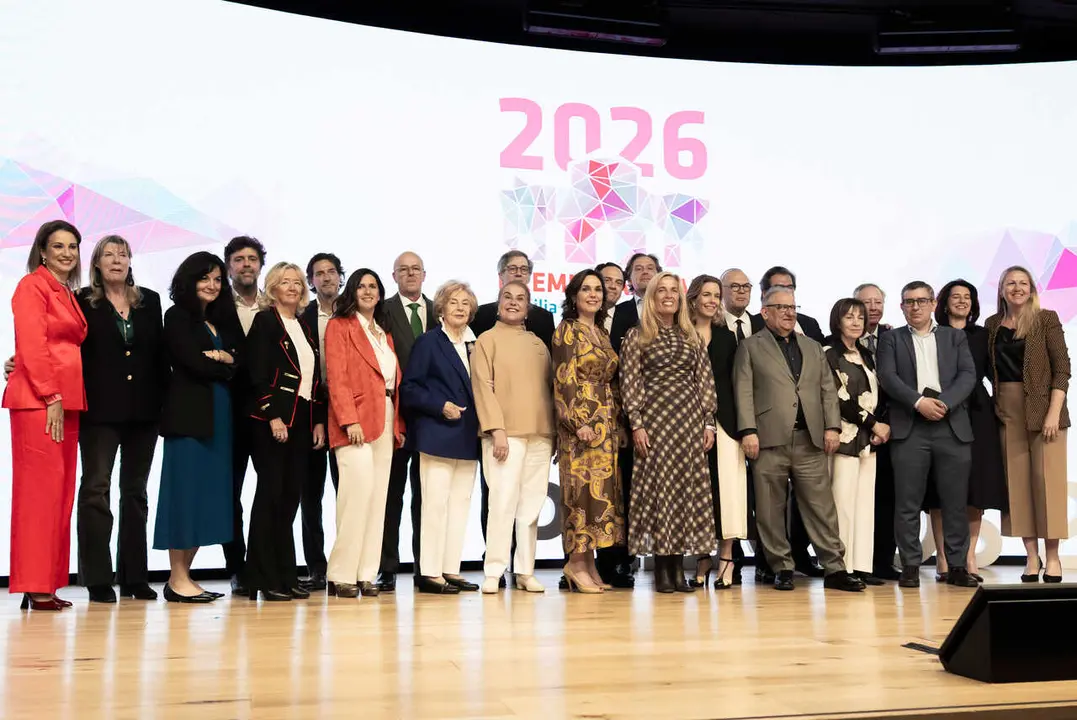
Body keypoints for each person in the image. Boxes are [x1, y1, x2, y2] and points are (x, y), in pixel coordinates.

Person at [734, 286, 863, 593]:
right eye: (781, 307)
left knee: (822, 508)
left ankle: (835, 568)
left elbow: (827, 390)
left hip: (810, 440)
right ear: (765, 313)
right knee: (770, 509)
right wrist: (748, 431)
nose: (789, 313)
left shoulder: (812, 346)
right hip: (768, 440)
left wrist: (832, 427)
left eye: (792, 307)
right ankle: (782, 567)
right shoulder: (750, 347)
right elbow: (743, 391)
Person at [76, 235, 167, 603]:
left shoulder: (150, 301)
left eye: (123, 254)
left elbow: (160, 355)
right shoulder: (82, 300)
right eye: (108, 254)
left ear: (130, 261)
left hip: (144, 411)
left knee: (135, 492)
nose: (116, 259)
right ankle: (97, 577)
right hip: (99, 411)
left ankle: (134, 577)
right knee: (95, 489)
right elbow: (63, 346)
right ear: (96, 264)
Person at [4, 220, 86, 611]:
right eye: (58, 246)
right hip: (41, 402)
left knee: (59, 495)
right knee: (39, 496)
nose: (67, 253)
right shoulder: (31, 286)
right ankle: (35, 585)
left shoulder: (65, 291)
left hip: (65, 401)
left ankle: (46, 583)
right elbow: (32, 345)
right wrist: (50, 393)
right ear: (42, 251)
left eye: (72, 246)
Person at [876, 281, 979, 589]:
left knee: (955, 503)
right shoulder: (891, 339)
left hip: (951, 425)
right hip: (910, 427)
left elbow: (968, 375)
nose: (916, 306)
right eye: (909, 301)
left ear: (934, 304)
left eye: (922, 301)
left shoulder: (955, 336)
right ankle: (910, 565)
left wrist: (944, 403)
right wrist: (919, 402)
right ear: (902, 306)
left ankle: (957, 566)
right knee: (907, 503)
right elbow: (888, 377)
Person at [620, 272, 718, 593]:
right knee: (659, 492)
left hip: (689, 422)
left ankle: (677, 572)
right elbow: (630, 381)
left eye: (674, 290)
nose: (668, 295)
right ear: (651, 296)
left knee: (683, 492)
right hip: (655, 422)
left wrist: (708, 422)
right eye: (661, 290)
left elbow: (704, 379)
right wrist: (636, 423)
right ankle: (662, 572)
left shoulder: (691, 335)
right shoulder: (638, 335)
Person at [155, 252, 242, 603]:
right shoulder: (177, 316)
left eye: (218, 279)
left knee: (207, 497)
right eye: (205, 278)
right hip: (189, 418)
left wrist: (223, 359)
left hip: (220, 418)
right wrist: (225, 362)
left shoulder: (223, 318)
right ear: (189, 281)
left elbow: (241, 361)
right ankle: (177, 578)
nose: (212, 285)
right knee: (184, 496)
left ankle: (184, 576)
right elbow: (191, 363)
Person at [470, 250, 555, 587]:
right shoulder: (486, 340)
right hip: (505, 437)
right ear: (498, 302)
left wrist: (552, 435)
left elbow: (549, 390)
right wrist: (497, 430)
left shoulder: (539, 344)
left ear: (529, 308)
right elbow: (482, 388)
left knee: (531, 507)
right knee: (502, 503)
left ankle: (525, 571)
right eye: (508, 297)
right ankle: (494, 570)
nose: (514, 303)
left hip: (540, 436)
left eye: (521, 299)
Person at [244, 262, 326, 601]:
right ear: (273, 288)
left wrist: (318, 419)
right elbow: (257, 372)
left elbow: (313, 379)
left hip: (303, 419)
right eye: (285, 282)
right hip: (274, 420)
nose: (292, 287)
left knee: (291, 497)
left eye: (297, 282)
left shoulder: (304, 326)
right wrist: (273, 415)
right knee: (271, 496)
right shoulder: (265, 322)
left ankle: (286, 574)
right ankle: (263, 578)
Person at [986, 266, 1071, 583]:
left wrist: (1053, 412)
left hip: (1045, 407)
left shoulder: (1046, 319)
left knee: (1047, 483)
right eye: (1011, 283)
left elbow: (1062, 369)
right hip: (1006, 410)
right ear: (1002, 289)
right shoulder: (992, 324)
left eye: (1023, 283)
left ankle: (1053, 558)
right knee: (1017, 485)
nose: (1017, 288)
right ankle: (1031, 557)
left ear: (1032, 289)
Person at [324, 269, 405, 599]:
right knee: (355, 498)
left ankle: (365, 573)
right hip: (354, 421)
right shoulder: (339, 326)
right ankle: (341, 573)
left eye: (373, 286)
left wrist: (397, 425)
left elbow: (392, 383)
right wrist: (349, 420)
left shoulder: (383, 332)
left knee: (377, 499)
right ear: (352, 292)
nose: (368, 291)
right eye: (361, 286)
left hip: (385, 415)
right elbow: (337, 377)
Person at [399, 280, 481, 595]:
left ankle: (450, 569)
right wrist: (440, 405)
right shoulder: (429, 342)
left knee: (460, 506)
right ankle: (430, 572)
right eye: (453, 302)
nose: (460, 308)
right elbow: (410, 389)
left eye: (465, 303)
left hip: (468, 436)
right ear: (441, 309)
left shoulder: (476, 343)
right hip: (437, 434)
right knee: (434, 506)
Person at [926, 280, 1007, 582]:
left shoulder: (983, 335)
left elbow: (995, 374)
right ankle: (943, 558)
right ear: (944, 303)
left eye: (967, 297)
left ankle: (969, 556)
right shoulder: (932, 334)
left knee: (977, 487)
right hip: (940, 411)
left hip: (977, 413)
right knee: (939, 488)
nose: (961, 301)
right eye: (955, 297)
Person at [553, 270, 625, 594]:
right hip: (580, 426)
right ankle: (574, 563)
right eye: (587, 289)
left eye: (598, 289)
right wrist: (576, 423)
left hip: (605, 424)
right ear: (574, 295)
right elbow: (563, 379)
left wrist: (616, 424)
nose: (594, 294)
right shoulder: (567, 330)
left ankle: (588, 562)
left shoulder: (600, 331)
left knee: (601, 498)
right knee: (580, 496)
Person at [600, 251, 662, 589]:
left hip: (668, 415)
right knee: (623, 489)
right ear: (630, 280)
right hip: (625, 416)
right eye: (638, 269)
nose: (645, 273)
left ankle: (666, 560)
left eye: (651, 268)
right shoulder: (619, 314)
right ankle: (621, 560)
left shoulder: (673, 313)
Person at [378, 251, 435, 592]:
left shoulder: (440, 310)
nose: (410, 274)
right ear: (394, 276)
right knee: (391, 495)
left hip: (432, 417)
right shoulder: (381, 311)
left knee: (427, 495)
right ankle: (386, 566)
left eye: (416, 269)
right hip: (394, 414)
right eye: (404, 269)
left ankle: (425, 567)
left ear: (424, 274)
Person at [823, 298, 889, 587]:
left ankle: (861, 566)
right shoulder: (828, 353)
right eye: (849, 317)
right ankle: (839, 568)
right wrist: (875, 424)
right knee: (842, 504)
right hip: (844, 437)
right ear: (837, 321)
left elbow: (878, 393)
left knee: (864, 504)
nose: (856, 322)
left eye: (860, 318)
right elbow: (838, 398)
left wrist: (879, 425)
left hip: (868, 439)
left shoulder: (865, 354)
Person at [686, 274, 745, 589]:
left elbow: (736, 382)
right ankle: (701, 557)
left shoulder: (727, 337)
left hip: (725, 423)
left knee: (728, 492)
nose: (711, 301)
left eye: (715, 296)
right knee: (698, 494)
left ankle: (726, 557)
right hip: (686, 423)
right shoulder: (679, 334)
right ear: (693, 298)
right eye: (706, 294)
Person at [222, 235, 267, 596]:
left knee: (272, 492)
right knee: (230, 494)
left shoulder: (276, 304)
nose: (246, 264)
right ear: (229, 266)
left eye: (252, 258)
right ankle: (237, 567)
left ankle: (266, 564)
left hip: (270, 413)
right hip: (230, 412)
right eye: (239, 259)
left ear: (261, 265)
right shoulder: (217, 305)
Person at [298, 252, 344, 591]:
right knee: (310, 496)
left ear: (341, 276)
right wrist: (315, 416)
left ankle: (346, 563)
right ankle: (316, 566)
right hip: (312, 413)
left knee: (348, 493)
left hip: (348, 413)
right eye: (319, 273)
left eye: (331, 271)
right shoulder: (302, 317)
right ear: (311, 281)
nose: (326, 277)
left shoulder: (355, 313)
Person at [853, 282, 900, 582]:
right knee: (858, 500)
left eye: (877, 302)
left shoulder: (894, 337)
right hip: (858, 430)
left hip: (891, 431)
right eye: (866, 302)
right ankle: (858, 563)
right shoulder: (840, 341)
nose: (872, 307)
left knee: (887, 498)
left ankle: (883, 560)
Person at [471, 250, 555, 349]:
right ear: (501, 275)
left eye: (524, 269)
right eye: (512, 269)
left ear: (529, 276)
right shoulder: (480, 314)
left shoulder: (544, 318)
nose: (519, 273)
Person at [595, 261, 626, 334]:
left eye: (618, 283)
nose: (613, 286)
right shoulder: (579, 317)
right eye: (607, 280)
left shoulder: (631, 320)